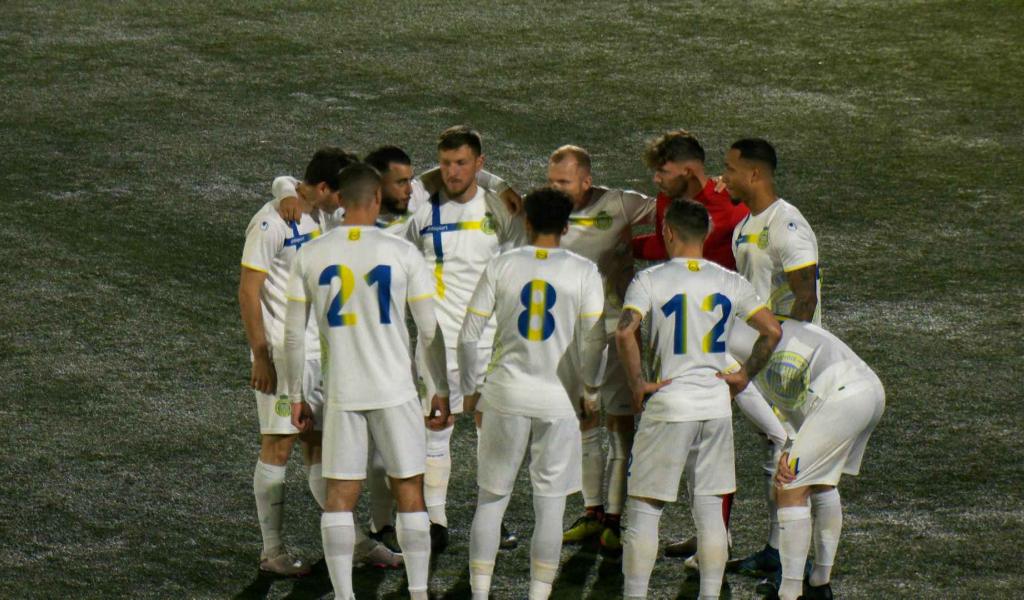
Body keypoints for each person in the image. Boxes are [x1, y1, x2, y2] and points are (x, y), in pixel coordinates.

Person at [283, 163, 451, 600]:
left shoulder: (310, 254)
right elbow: (429, 331)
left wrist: (295, 394)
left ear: (340, 199)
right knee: (409, 488)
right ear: (377, 198)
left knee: (340, 495)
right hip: (395, 390)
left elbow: (292, 336)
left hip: (342, 391)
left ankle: (344, 596)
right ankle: (417, 593)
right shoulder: (402, 253)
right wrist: (439, 388)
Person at [617, 199, 782, 599]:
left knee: (644, 511)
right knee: (710, 512)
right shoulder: (730, 281)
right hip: (714, 407)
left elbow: (624, 332)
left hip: (670, 405)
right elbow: (772, 330)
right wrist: (744, 374)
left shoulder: (650, 279)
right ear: (706, 234)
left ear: (668, 232)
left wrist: (637, 383)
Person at [639, 132, 788, 562]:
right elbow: (667, 249)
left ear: (688, 171)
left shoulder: (728, 206)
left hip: (733, 341)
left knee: (769, 437)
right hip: (694, 338)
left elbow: (679, 248)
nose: (656, 180)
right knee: (702, 441)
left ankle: (777, 548)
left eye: (663, 172)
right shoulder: (671, 202)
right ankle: (712, 535)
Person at [459, 187, 606, 600]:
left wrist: (471, 389)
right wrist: (591, 392)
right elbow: (595, 341)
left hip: (504, 395)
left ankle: (480, 593)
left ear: (526, 222)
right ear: (566, 227)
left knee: (491, 499)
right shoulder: (583, 271)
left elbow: (469, 336)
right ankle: (538, 595)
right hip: (560, 401)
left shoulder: (502, 264)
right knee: (551, 505)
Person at [405, 125, 525, 550]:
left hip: (491, 341)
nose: (452, 172)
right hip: (437, 341)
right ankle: (435, 519)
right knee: (437, 424)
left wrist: (497, 184)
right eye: (445, 163)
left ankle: (492, 517)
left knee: (491, 428)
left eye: (461, 163)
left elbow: (516, 269)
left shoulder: (501, 208)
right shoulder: (420, 207)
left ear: (479, 163)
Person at [238, 147, 350, 576]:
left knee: (318, 442)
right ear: (323, 187)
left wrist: (285, 186)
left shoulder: (320, 214)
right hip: (282, 355)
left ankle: (352, 539)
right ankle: (272, 551)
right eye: (338, 194)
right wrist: (260, 355)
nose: (343, 203)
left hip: (318, 350)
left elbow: (291, 183)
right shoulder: (269, 223)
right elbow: (249, 291)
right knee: (278, 444)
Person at [719, 321, 885, 600]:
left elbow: (742, 388)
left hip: (841, 397)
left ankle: (790, 592)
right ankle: (820, 583)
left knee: (789, 486)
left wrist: (782, 441)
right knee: (821, 482)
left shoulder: (715, 345)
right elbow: (792, 393)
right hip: (869, 390)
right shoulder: (750, 323)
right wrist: (791, 442)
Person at [545, 145, 656, 557]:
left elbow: (671, 214)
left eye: (564, 182)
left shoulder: (621, 204)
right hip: (572, 335)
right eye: (551, 181)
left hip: (616, 332)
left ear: (587, 181)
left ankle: (614, 518)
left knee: (621, 422)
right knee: (585, 418)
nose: (555, 189)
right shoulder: (547, 213)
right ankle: (592, 512)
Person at [721, 138, 822, 582]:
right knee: (775, 448)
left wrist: (788, 358)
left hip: (787, 359)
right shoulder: (745, 225)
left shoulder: (788, 225)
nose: (724, 176)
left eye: (730, 169)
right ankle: (775, 549)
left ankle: (798, 567)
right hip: (763, 353)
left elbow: (806, 297)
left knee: (793, 455)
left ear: (755, 174)